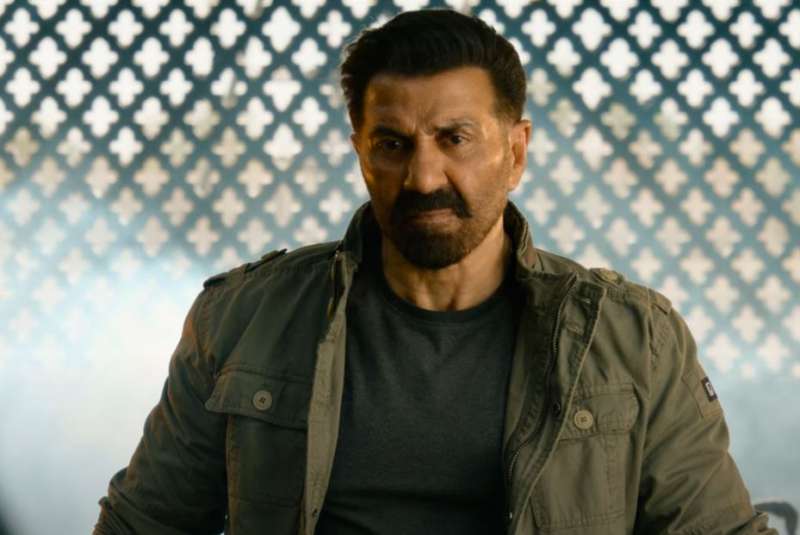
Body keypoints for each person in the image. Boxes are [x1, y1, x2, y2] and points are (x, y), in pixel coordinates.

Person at [94, 9, 777, 535]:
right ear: (362, 153)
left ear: (516, 152)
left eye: (455, 139)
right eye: (393, 144)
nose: (423, 177)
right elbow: (142, 525)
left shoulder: (630, 337)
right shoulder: (244, 319)